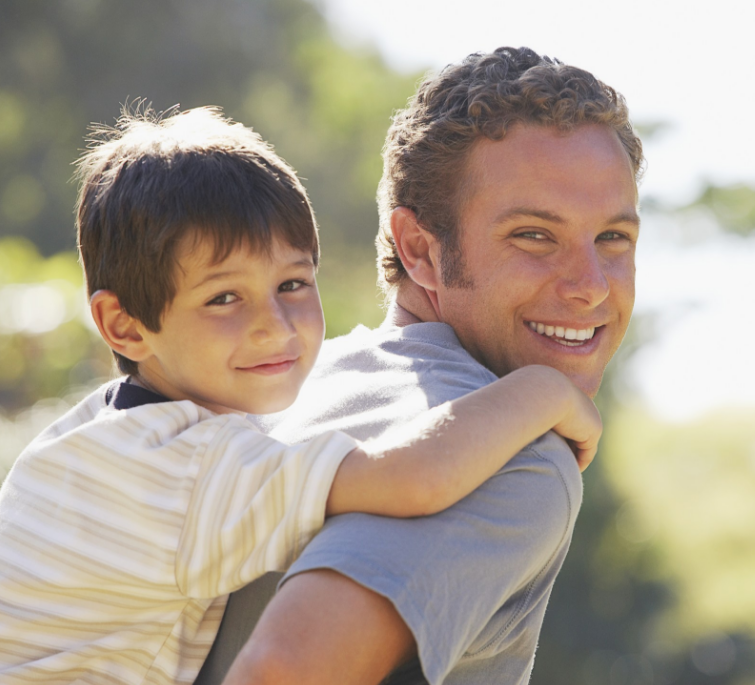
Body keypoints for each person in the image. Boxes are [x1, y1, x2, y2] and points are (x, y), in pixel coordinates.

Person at [0, 105, 602, 685]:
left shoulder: (96, 432)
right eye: (223, 298)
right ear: (124, 324)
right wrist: (543, 392)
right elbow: (412, 477)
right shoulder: (187, 473)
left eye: (291, 283)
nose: (274, 325)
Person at [208, 46, 644, 685]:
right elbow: (281, 671)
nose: (591, 287)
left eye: (613, 238)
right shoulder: (508, 459)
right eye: (533, 236)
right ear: (420, 250)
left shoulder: (287, 390)